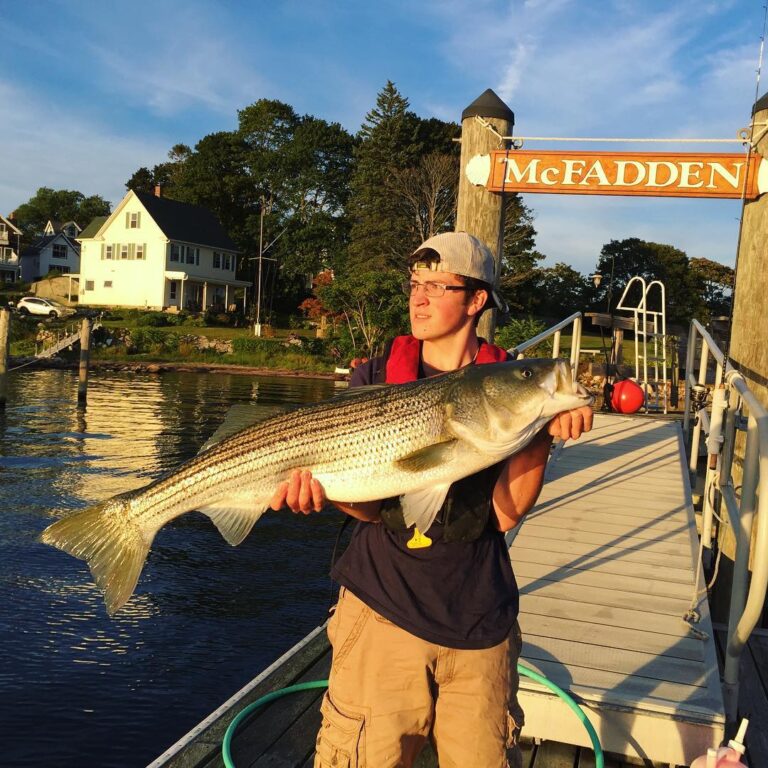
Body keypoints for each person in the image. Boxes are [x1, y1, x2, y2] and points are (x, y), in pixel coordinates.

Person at [270, 231, 593, 768]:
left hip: (479, 623)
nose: (417, 299)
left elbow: (505, 514)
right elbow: (368, 509)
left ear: (476, 300)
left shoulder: (507, 382)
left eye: (436, 287)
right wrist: (325, 492)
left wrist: (541, 432)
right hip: (380, 613)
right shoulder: (373, 377)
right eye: (415, 285)